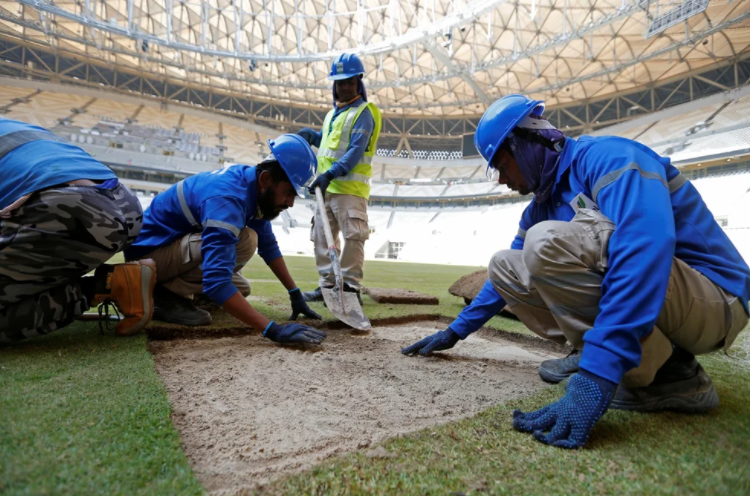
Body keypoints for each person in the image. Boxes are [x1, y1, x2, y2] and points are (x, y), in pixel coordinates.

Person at [402, 94, 750, 449]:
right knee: (504, 265)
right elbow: (504, 282)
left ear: (525, 145)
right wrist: (456, 331)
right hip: (673, 299)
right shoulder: (542, 205)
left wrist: (596, 375)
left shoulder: (608, 157)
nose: (502, 179)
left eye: (502, 165)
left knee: (545, 241)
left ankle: (669, 375)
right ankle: (642, 358)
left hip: (717, 300)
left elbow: (645, 248)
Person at [124, 134, 326, 346]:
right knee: (246, 240)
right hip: (146, 261)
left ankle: (177, 293)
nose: (291, 204)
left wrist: (295, 294)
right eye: (288, 193)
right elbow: (216, 281)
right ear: (266, 179)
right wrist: (272, 330)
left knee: (241, 289)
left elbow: (269, 246)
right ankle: (161, 294)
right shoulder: (227, 199)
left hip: (165, 249)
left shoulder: (252, 187)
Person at [0, 116, 156, 344]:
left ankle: (100, 288)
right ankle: (112, 282)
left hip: (66, 211)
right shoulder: (10, 123)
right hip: (124, 202)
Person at [297, 53, 383, 305]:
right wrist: (312, 137)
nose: (343, 87)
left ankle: (349, 287)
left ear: (359, 82)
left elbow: (355, 153)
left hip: (349, 190)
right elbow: (327, 141)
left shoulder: (365, 113)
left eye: (348, 81)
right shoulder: (332, 114)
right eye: (339, 82)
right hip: (326, 188)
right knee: (322, 238)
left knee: (353, 237)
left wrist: (329, 174)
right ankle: (327, 286)